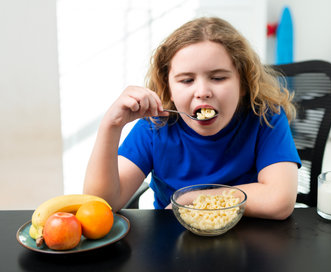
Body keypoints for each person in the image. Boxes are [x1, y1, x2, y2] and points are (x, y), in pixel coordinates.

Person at [84, 17, 301, 220]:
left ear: (243, 83)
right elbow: (102, 205)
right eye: (187, 80)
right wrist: (111, 125)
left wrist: (191, 199)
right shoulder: (155, 126)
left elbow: (279, 200)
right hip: (170, 242)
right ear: (167, 87)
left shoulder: (265, 116)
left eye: (217, 78)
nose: (202, 92)